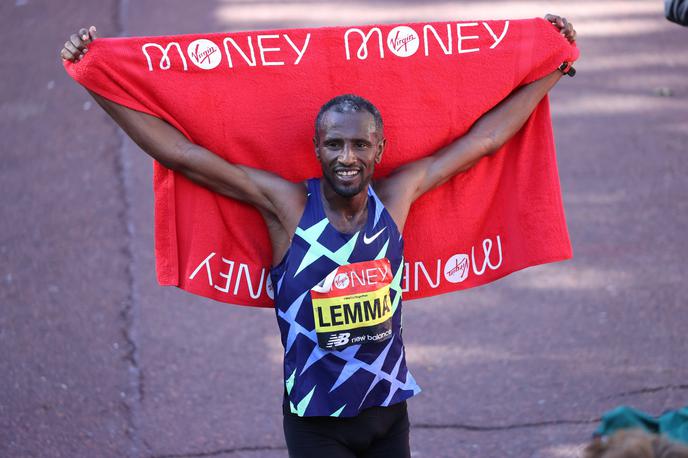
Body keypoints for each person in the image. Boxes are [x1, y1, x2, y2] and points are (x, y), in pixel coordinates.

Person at [60, 15, 576, 458]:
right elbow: (183, 155)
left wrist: (552, 67)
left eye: (359, 144)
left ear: (380, 149)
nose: (346, 157)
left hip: (389, 411)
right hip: (316, 425)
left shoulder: (396, 198)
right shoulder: (287, 208)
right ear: (316, 146)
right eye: (334, 144)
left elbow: (484, 139)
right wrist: (94, 78)